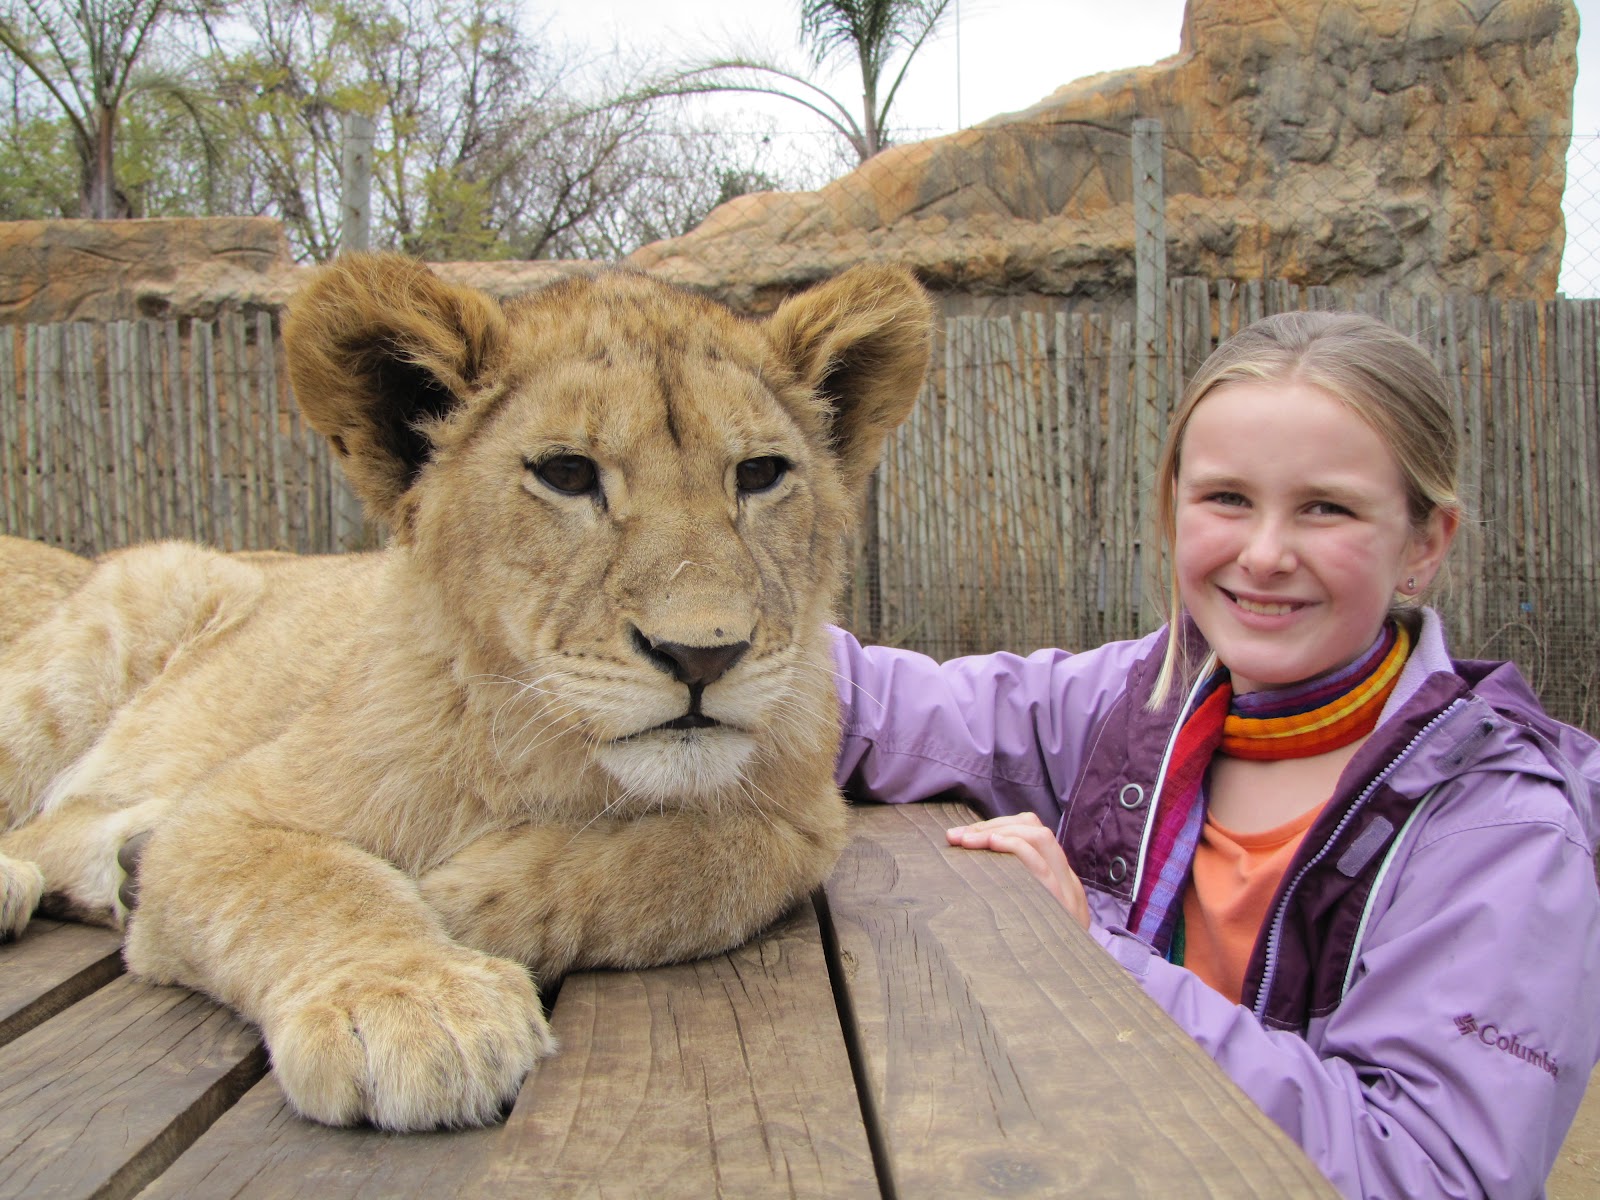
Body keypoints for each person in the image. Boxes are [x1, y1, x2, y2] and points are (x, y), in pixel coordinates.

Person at [830, 310, 1600, 1199]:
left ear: (1424, 544)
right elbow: (907, 709)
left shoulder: (1504, 831)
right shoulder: (1152, 696)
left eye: (1327, 508)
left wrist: (1093, 957)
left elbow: (1430, 1174)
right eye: (1227, 498)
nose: (1264, 554)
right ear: (1173, 507)